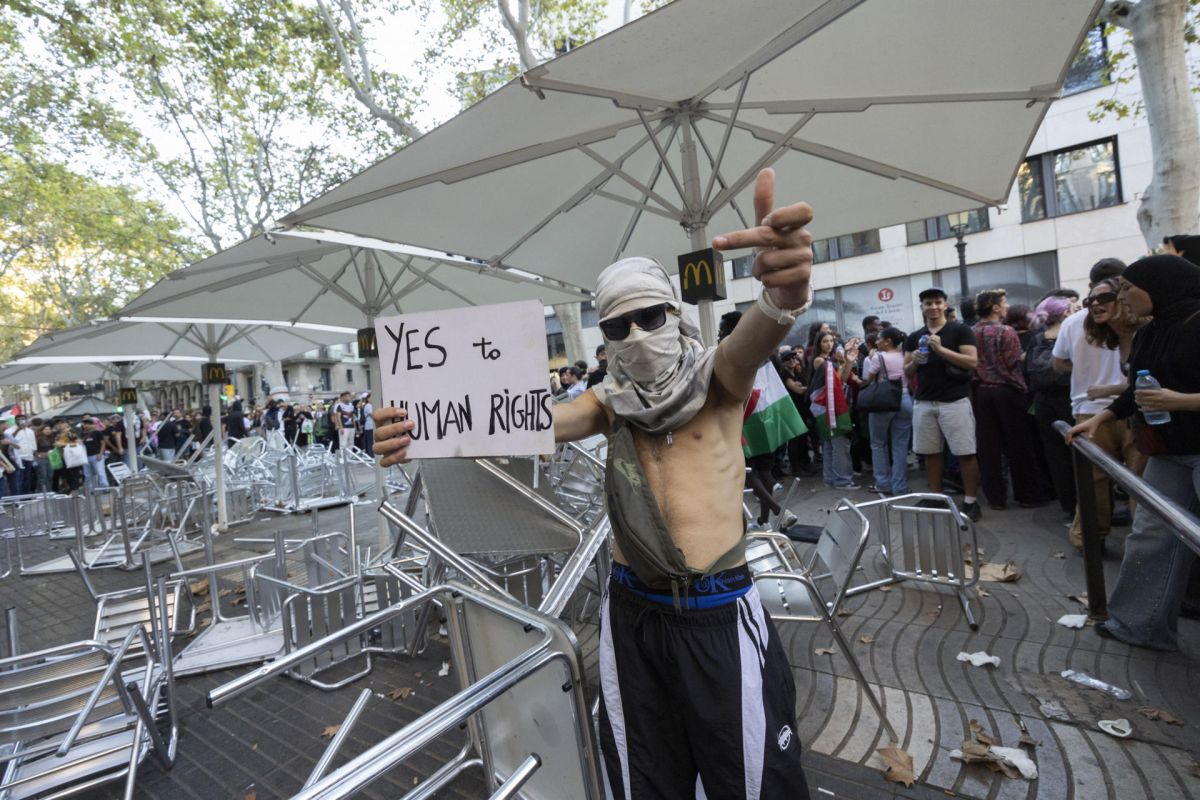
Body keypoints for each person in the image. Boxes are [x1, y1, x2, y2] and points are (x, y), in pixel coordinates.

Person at [374, 168, 815, 799]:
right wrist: (419, 428)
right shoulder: (610, 402)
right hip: (632, 612)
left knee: (750, 781)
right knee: (641, 777)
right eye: (616, 327)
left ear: (676, 312)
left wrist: (783, 293)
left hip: (716, 613)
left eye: (649, 316)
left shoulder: (719, 381)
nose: (635, 335)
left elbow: (756, 337)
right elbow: (537, 425)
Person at [1068, 254, 1200, 651]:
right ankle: (1138, 625)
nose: (1122, 295)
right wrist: (1100, 418)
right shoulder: (1150, 331)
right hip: (1167, 451)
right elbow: (1136, 392)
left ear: (1158, 286)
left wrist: (1182, 401)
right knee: (1150, 535)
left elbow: (1167, 395)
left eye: (1128, 287)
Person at [1052, 259, 1131, 548]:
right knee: (1139, 483)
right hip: (1122, 410)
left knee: (1093, 481)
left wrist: (1084, 369)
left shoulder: (1073, 322)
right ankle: (1145, 543)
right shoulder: (1128, 319)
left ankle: (1088, 537)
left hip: (1092, 409)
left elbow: (1058, 362)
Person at [904, 287, 982, 520]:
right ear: (922, 307)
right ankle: (936, 497)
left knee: (965, 452)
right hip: (924, 401)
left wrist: (941, 350)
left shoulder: (960, 330)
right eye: (928, 303)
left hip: (955, 400)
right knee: (931, 453)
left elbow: (972, 362)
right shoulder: (914, 336)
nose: (933, 307)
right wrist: (915, 361)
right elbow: (906, 371)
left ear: (945, 305)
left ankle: (970, 500)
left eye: (938, 302)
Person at [971, 288, 1042, 509]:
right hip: (1008, 391)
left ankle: (996, 498)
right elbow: (1013, 361)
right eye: (1004, 302)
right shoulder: (1006, 331)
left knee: (988, 447)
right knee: (1019, 444)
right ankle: (1027, 495)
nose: (1007, 306)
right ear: (995, 307)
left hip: (981, 393)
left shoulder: (971, 332)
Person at [1026, 295, 1077, 519]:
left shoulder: (1036, 337)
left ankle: (1068, 506)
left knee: (1055, 455)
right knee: (1080, 453)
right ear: (1065, 313)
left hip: (1043, 402)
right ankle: (1086, 505)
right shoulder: (1071, 333)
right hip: (1069, 398)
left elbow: (1026, 369)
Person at [862, 327, 912, 495]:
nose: (876, 342)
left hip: (884, 401)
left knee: (878, 443)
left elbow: (867, 380)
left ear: (888, 341)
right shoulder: (905, 355)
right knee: (901, 445)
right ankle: (900, 486)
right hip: (905, 399)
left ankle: (883, 483)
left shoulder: (878, 357)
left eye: (879, 339)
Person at [809, 331, 859, 489]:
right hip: (828, 407)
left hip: (831, 405)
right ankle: (842, 480)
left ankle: (831, 479)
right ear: (818, 344)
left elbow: (843, 380)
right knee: (838, 444)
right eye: (825, 341)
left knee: (831, 445)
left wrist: (847, 362)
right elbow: (835, 380)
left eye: (831, 341)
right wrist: (842, 361)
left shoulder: (832, 360)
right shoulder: (819, 360)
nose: (829, 344)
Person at [80, 418, 110, 492]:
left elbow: (103, 443)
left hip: (96, 455)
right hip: (85, 457)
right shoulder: (81, 434)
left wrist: (100, 453)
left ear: (93, 425)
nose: (86, 426)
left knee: (100, 472)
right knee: (87, 475)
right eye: (85, 424)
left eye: (88, 424)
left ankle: (105, 488)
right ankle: (91, 490)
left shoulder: (97, 433)